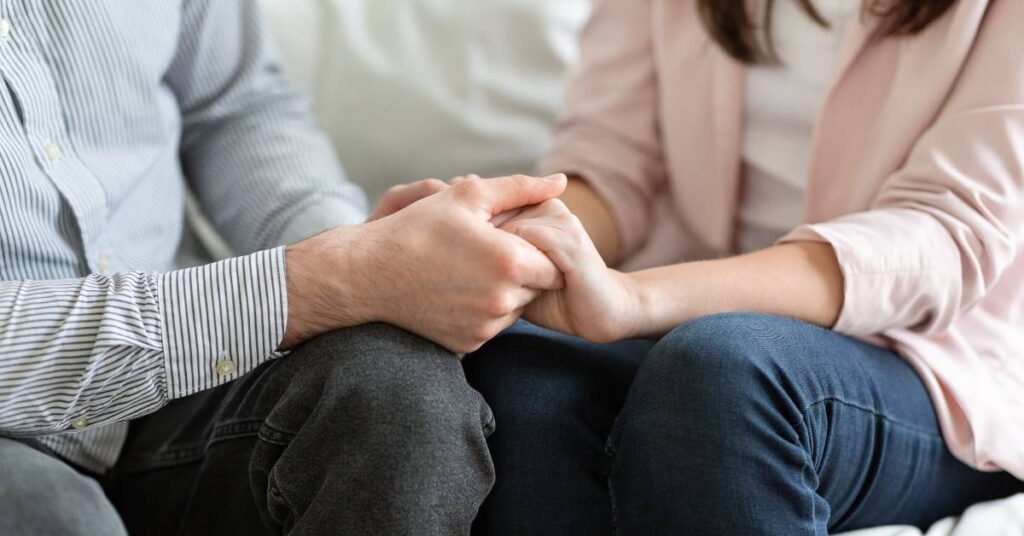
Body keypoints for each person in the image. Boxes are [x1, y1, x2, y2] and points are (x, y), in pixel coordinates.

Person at [377, 0, 1024, 533]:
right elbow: (615, 159)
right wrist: (497, 227)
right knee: (522, 373)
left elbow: (947, 235)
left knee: (723, 375)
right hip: (689, 317)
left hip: (936, 358)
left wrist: (634, 299)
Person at [0, 1, 570, 534]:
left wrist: (366, 251)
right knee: (52, 515)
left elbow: (232, 107)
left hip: (179, 388)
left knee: (391, 391)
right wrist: (334, 276)